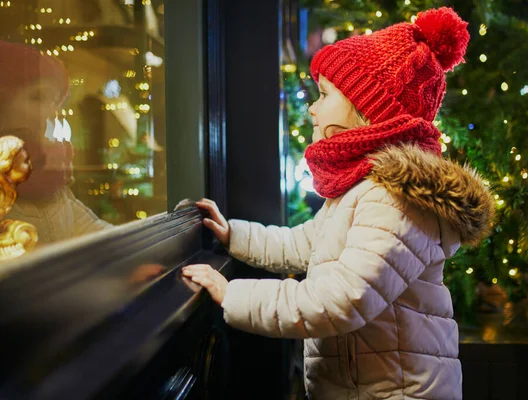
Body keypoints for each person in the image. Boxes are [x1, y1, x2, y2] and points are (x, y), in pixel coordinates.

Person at [182, 7, 495, 399]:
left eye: (325, 94)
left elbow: (343, 298)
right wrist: (233, 235)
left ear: (369, 113)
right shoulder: (361, 189)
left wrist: (234, 296)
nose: (312, 107)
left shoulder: (396, 201)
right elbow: (302, 244)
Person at [0, 40, 112, 245]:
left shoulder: (48, 172)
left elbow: (94, 232)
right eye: (38, 97)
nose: (51, 112)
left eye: (53, 102)